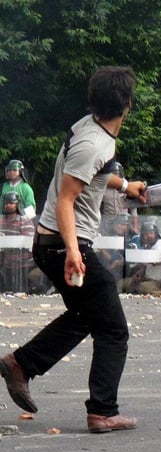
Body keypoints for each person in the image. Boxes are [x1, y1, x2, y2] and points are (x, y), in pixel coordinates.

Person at [0, 66, 146, 433]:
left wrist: (124, 185)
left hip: (53, 243)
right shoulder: (94, 142)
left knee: (87, 316)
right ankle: (102, 411)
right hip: (61, 243)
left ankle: (21, 364)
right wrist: (73, 251)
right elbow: (66, 198)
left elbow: (91, 173)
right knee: (113, 329)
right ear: (127, 104)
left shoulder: (91, 129)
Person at [121, 221, 161, 295]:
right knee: (121, 284)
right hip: (146, 278)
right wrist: (139, 273)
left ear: (156, 234)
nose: (148, 236)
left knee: (140, 288)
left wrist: (141, 257)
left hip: (159, 281)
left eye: (151, 233)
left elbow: (158, 261)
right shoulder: (148, 246)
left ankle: (160, 293)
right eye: (145, 234)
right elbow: (145, 265)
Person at [0, 192, 36, 292]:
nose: (8, 205)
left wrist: (10, 242)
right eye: (6, 203)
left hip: (24, 266)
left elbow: (29, 244)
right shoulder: (1, 221)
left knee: (21, 293)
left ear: (17, 204)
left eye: (11, 203)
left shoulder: (24, 221)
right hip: (8, 266)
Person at [100, 161, 139, 233]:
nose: (115, 175)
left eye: (116, 173)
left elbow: (133, 209)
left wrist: (135, 227)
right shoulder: (103, 189)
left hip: (124, 223)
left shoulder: (127, 189)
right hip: (107, 225)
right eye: (113, 173)